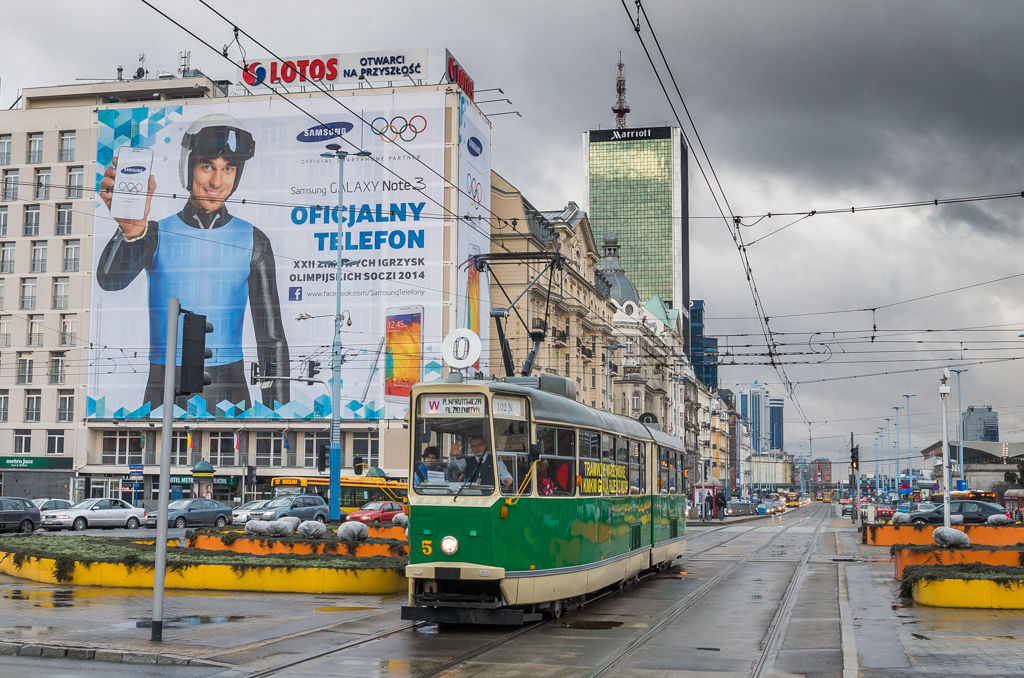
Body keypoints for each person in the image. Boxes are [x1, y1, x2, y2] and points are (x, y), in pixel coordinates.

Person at [97, 114, 289, 413]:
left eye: (229, 169)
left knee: (230, 460)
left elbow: (272, 339)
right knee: (158, 461)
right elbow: (110, 281)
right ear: (188, 167)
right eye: (207, 166)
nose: (217, 181)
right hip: (164, 385)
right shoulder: (154, 232)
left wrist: (279, 418)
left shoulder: (254, 239)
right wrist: (131, 230)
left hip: (230, 387)